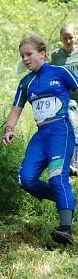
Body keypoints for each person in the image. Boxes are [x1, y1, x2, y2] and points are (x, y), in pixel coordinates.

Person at [1, 36, 78, 245]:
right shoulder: (26, 82)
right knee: (26, 179)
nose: (25, 59)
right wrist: (8, 129)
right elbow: (16, 110)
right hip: (40, 135)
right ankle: (68, 201)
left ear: (43, 53)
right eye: (22, 56)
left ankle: (65, 229)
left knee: (56, 176)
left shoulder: (60, 72)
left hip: (60, 131)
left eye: (29, 54)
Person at [51, 24, 78, 170]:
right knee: (73, 124)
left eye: (71, 37)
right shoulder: (56, 56)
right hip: (69, 97)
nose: (68, 41)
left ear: (76, 37)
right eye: (65, 38)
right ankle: (73, 163)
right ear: (60, 39)